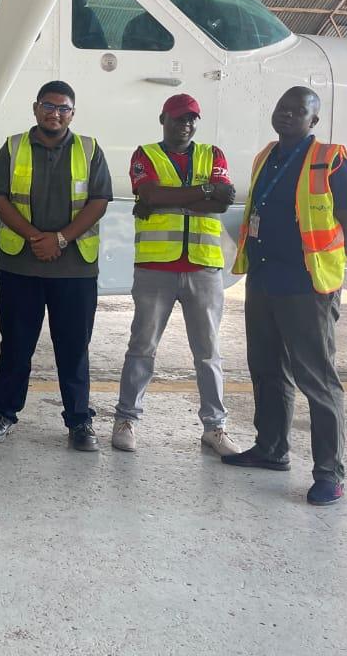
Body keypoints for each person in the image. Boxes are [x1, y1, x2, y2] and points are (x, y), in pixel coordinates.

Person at [223, 87, 347, 506]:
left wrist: (329, 273)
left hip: (307, 288)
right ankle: (271, 449)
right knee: (266, 370)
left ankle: (329, 473)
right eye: (281, 107)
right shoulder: (267, 156)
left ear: (313, 121)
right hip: (264, 281)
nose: (286, 114)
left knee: (317, 380)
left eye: (297, 110)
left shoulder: (332, 162)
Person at [0, 80, 112, 451]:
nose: (55, 114)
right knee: (16, 346)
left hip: (75, 270)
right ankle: (2, 413)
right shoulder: (13, 146)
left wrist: (61, 239)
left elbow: (99, 201)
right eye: (49, 106)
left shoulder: (89, 149)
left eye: (63, 108)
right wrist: (36, 238)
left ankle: (79, 421)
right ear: (35, 108)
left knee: (73, 348)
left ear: (73, 113)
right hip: (20, 266)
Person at [112, 94, 240, 456]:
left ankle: (215, 428)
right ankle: (126, 420)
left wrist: (166, 200)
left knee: (209, 353)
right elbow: (149, 192)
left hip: (203, 268)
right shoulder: (145, 154)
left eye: (192, 119)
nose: (186, 124)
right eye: (179, 118)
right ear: (163, 118)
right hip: (157, 269)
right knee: (142, 348)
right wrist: (201, 191)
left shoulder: (212, 155)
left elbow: (222, 200)